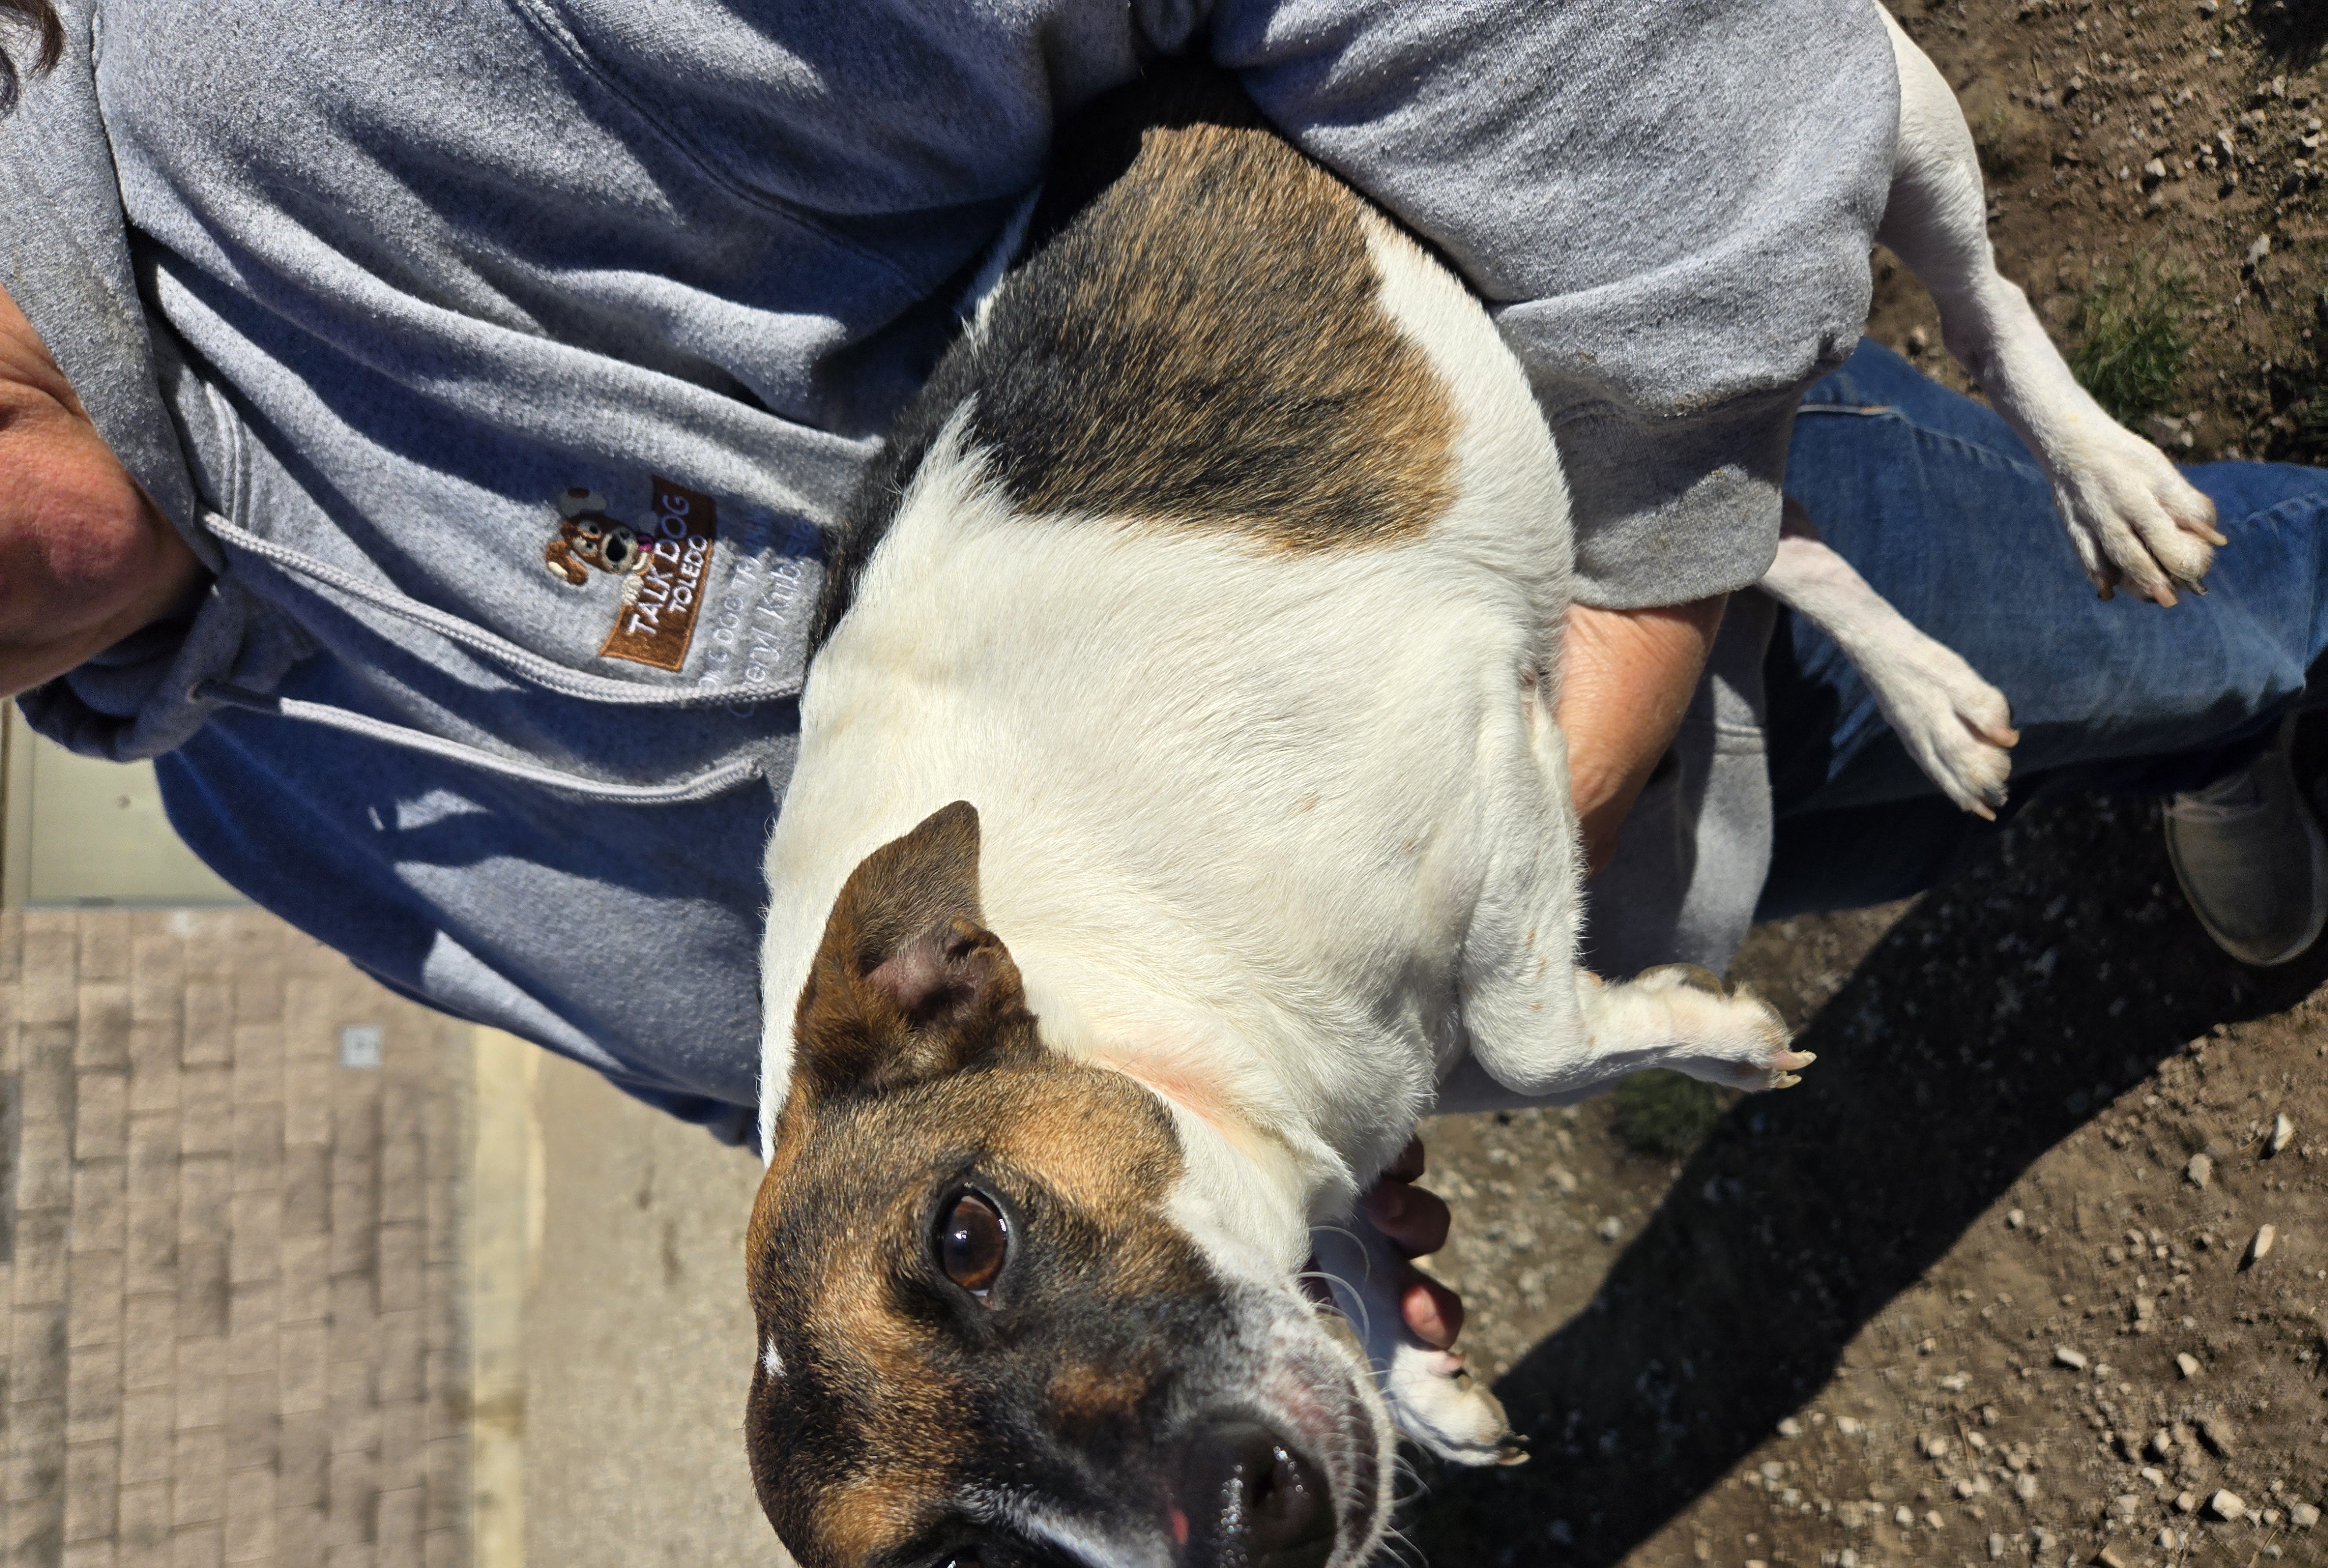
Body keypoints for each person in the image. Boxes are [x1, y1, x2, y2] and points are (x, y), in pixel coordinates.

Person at [3, 3, 2320, 1343]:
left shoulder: (310, 63)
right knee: (2001, 780)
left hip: (1609, 543)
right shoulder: (238, 790)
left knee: (2215, 608)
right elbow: (773, 1092)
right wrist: (1207, 1227)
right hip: (1548, 922)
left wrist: (1637, 582)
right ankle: (2190, 755)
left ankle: (2237, 684)